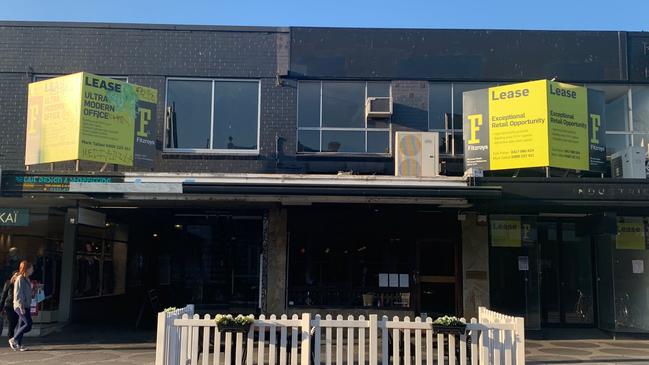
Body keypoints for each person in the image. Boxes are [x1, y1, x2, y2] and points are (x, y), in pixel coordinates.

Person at [9, 261, 33, 351]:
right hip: (20, 305)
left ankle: (19, 344)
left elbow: (26, 292)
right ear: (27, 269)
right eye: (31, 268)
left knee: (22, 325)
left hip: (26, 304)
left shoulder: (26, 278)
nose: (32, 270)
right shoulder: (20, 279)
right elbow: (18, 294)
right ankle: (14, 339)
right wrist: (21, 306)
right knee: (28, 324)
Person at [0, 272, 19, 341]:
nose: (16, 277)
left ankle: (12, 336)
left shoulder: (19, 284)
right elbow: (4, 294)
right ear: (13, 276)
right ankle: (10, 337)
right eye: (15, 275)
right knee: (11, 321)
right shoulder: (8, 283)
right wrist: (1, 306)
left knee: (15, 321)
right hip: (9, 305)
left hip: (17, 305)